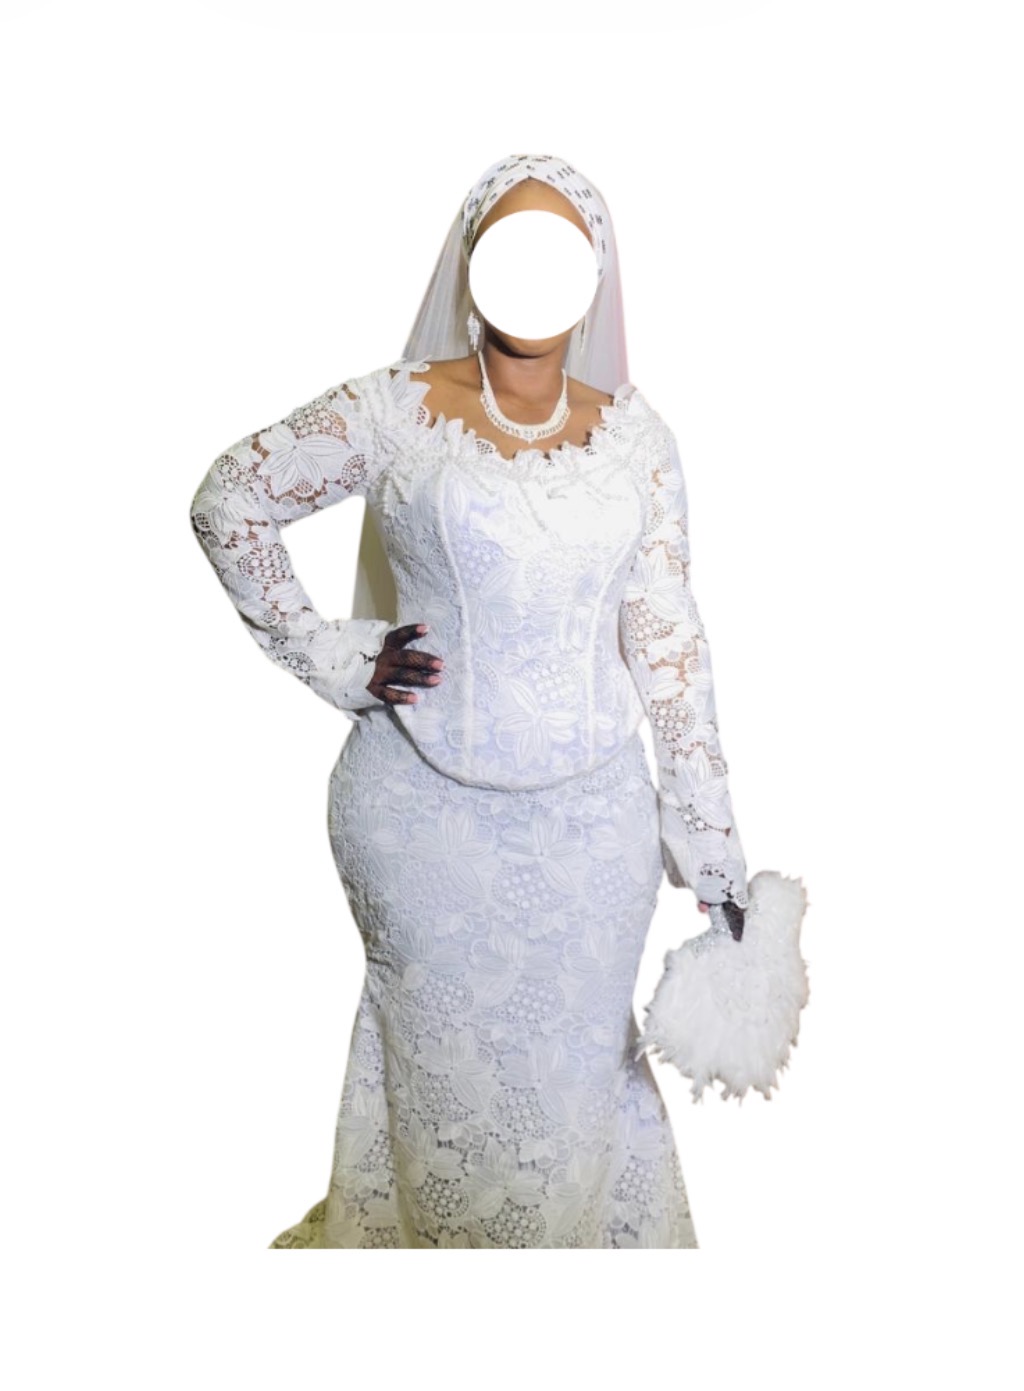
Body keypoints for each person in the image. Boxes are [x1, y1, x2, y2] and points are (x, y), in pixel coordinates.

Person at [190, 152, 749, 1249]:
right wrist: (330, 653)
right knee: (434, 1081)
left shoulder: (639, 440)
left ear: (595, 275)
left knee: (578, 1091)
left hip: (591, 837)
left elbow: (670, 642)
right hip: (417, 823)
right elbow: (229, 499)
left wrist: (714, 845)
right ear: (472, 262)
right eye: (512, 249)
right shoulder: (392, 409)